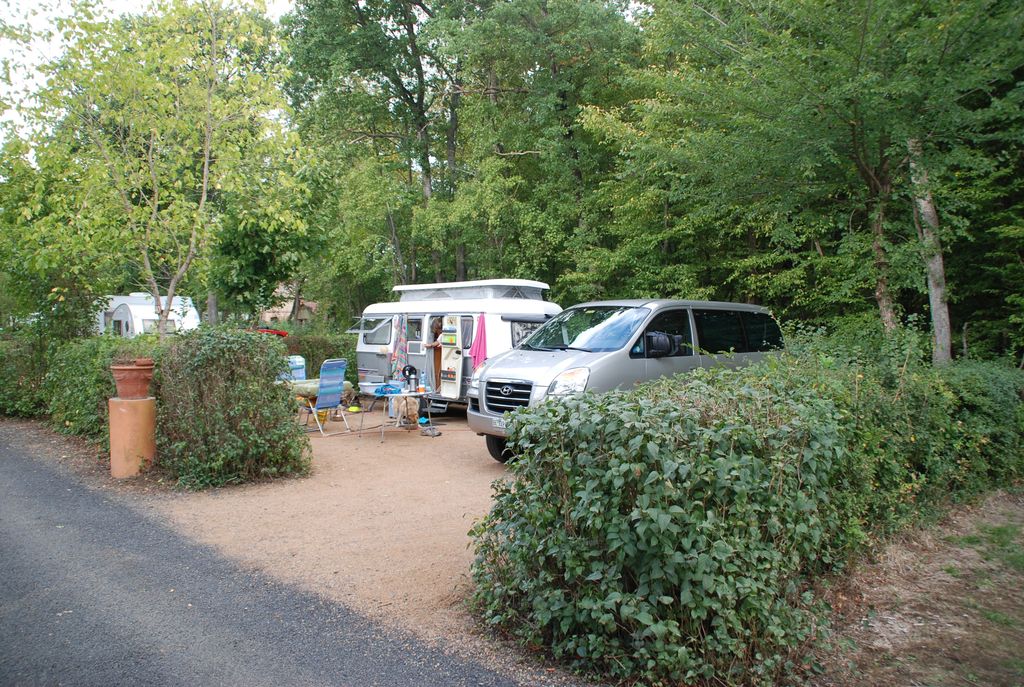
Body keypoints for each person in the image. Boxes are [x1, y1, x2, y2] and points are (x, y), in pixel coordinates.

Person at [425, 318, 443, 389]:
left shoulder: (443, 334)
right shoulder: (442, 334)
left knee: (439, 373)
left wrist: (430, 345)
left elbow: (437, 342)